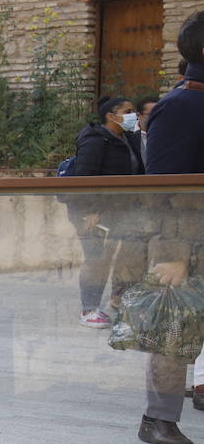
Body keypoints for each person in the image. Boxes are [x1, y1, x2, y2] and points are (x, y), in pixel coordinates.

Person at [136, 11, 204, 444]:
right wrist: (178, 254)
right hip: (182, 243)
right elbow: (161, 189)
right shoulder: (180, 105)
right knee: (173, 335)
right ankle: (157, 419)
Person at [68, 96, 143, 328]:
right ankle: (89, 309)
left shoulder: (127, 138)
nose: (134, 115)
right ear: (111, 116)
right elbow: (84, 177)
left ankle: (120, 300)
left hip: (119, 210)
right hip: (92, 213)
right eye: (128, 111)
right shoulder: (95, 140)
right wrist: (89, 211)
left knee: (125, 255)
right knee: (96, 259)